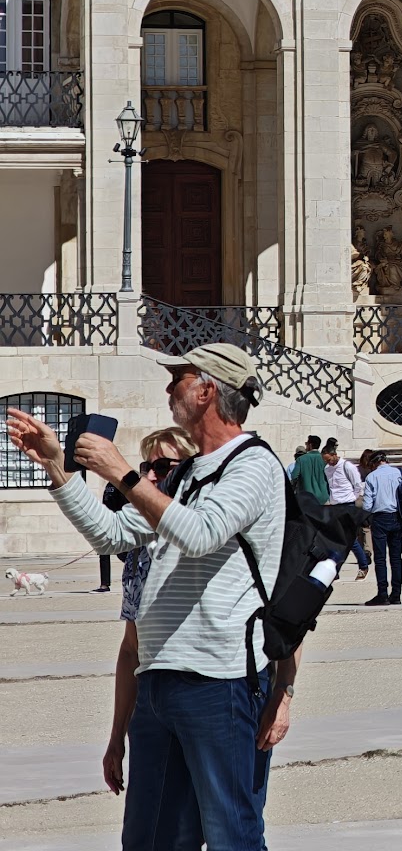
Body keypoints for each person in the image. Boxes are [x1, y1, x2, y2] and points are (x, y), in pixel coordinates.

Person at [5, 342, 295, 849]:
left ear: (207, 390)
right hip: (158, 681)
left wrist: (122, 471)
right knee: (151, 837)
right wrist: (56, 467)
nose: (167, 388)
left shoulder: (254, 466)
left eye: (177, 378)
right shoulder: (185, 475)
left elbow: (202, 533)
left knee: (231, 833)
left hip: (218, 680)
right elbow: (111, 534)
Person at [101, 427, 196, 800]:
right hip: (152, 710)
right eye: (146, 467)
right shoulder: (140, 550)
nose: (150, 477)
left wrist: (283, 695)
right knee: (146, 824)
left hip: (208, 701)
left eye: (162, 467)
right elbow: (131, 649)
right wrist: (116, 738)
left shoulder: (216, 536)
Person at [362, 449, 402, 606]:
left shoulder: (372, 477)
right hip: (397, 517)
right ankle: (396, 594)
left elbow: (367, 505)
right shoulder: (400, 473)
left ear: (374, 463)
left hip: (380, 518)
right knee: (396, 558)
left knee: (380, 558)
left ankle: (382, 593)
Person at [322, 440, 372, 579]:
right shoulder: (327, 469)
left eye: (329, 459)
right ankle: (339, 569)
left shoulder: (347, 466)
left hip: (347, 505)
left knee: (348, 539)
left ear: (334, 455)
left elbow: (357, 485)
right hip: (335, 506)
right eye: (325, 460)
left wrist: (352, 498)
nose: (328, 462)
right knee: (339, 539)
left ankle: (362, 565)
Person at [289, 434, 331, 503]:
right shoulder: (324, 459)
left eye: (306, 444)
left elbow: (294, 476)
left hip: (307, 498)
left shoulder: (301, 459)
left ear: (310, 445)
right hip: (324, 497)